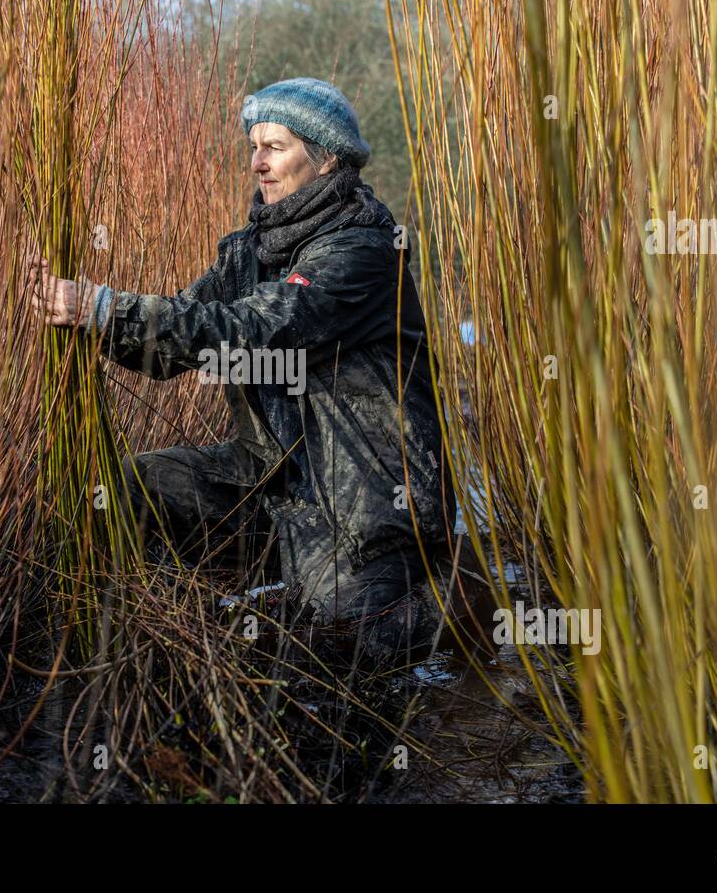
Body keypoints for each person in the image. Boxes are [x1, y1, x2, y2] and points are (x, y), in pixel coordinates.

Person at [33, 77, 495, 667]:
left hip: (365, 504)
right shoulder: (245, 252)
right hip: (268, 480)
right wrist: (88, 321)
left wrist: (102, 305)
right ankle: (145, 644)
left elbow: (252, 327)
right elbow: (173, 348)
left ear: (326, 158)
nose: (256, 162)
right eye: (254, 146)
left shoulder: (363, 252)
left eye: (274, 146)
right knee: (124, 493)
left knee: (344, 652)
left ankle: (462, 597)